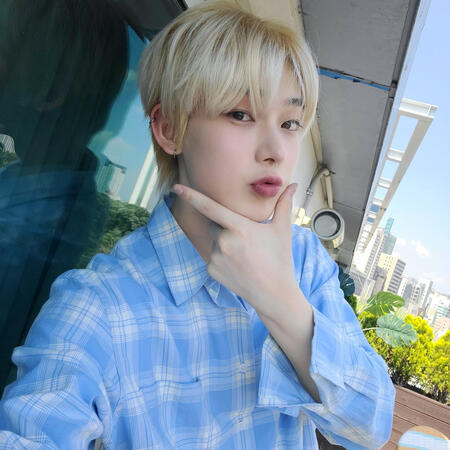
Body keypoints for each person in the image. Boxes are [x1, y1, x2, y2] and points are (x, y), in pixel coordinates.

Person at [0, 1, 396, 448]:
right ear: (170, 129)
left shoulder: (303, 259)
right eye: (240, 114)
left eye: (290, 122)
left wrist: (280, 301)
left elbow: (371, 426)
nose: (276, 151)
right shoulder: (100, 305)